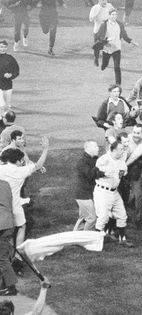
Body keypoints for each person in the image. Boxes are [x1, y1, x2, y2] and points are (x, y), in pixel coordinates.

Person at [0, 138, 49, 276]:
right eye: (21, 160)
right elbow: (38, 165)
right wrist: (45, 149)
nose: (22, 162)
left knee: (6, 233)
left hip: (2, 206)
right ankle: (16, 257)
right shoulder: (20, 172)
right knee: (21, 227)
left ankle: (9, 256)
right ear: (16, 161)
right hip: (15, 206)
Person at [94, 141, 134, 247]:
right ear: (113, 150)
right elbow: (95, 173)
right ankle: (95, 241)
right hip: (102, 191)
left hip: (114, 192)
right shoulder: (104, 159)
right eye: (121, 149)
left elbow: (123, 174)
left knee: (122, 215)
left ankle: (122, 239)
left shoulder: (122, 163)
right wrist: (105, 173)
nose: (123, 151)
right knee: (103, 217)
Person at [95, 8, 138, 85]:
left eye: (115, 14)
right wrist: (106, 40)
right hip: (107, 48)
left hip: (117, 48)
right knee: (105, 63)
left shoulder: (120, 24)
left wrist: (131, 41)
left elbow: (124, 35)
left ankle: (118, 83)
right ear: (109, 15)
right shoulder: (104, 25)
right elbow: (98, 36)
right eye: (112, 14)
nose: (114, 16)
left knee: (117, 67)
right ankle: (104, 65)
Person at [74, 141, 103, 231]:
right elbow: (90, 175)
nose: (98, 148)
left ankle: (75, 235)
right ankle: (84, 238)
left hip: (87, 194)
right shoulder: (82, 162)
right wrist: (99, 166)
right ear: (88, 149)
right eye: (95, 146)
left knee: (83, 217)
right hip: (83, 195)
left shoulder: (93, 159)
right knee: (92, 218)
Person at [0, 179, 17, 296]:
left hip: (2, 225)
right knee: (3, 255)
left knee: (2, 258)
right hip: (9, 222)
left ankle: (11, 287)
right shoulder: (5, 183)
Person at [89, 0, 114, 66]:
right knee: (97, 46)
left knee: (106, 46)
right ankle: (96, 59)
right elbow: (91, 19)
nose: (104, 1)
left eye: (105, 0)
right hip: (98, 30)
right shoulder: (95, 7)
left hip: (107, 30)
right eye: (102, 0)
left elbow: (114, 15)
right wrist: (96, 14)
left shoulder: (109, 6)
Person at [0, 42, 19, 113]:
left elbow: (16, 70)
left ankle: (6, 120)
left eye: (4, 47)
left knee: (7, 106)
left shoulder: (10, 58)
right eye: (1, 47)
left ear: (7, 48)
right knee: (1, 105)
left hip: (8, 85)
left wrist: (11, 75)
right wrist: (2, 75)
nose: (3, 49)